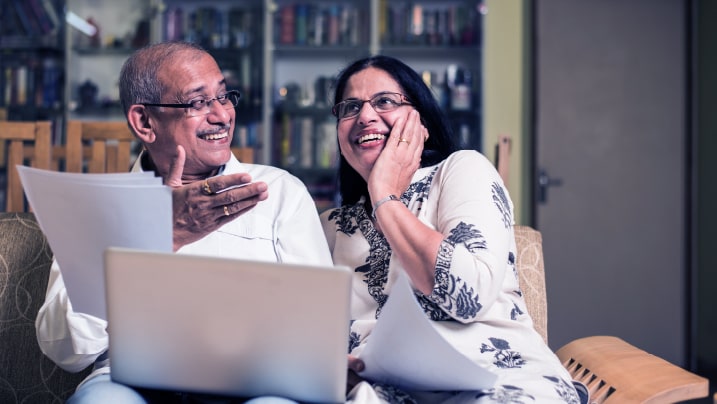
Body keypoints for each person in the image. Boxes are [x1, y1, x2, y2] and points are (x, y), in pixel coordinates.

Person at [35, 41, 332, 404]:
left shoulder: (280, 192)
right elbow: (64, 348)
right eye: (197, 102)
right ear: (144, 122)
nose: (222, 115)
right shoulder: (93, 208)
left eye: (224, 96)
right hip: (130, 383)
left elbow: (321, 334)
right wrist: (155, 236)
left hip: (256, 383)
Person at [321, 55, 586, 403]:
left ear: (422, 121)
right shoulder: (330, 227)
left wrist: (385, 196)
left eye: (385, 101)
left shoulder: (462, 171)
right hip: (384, 392)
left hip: (497, 381)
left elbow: (468, 297)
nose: (366, 116)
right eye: (350, 107)